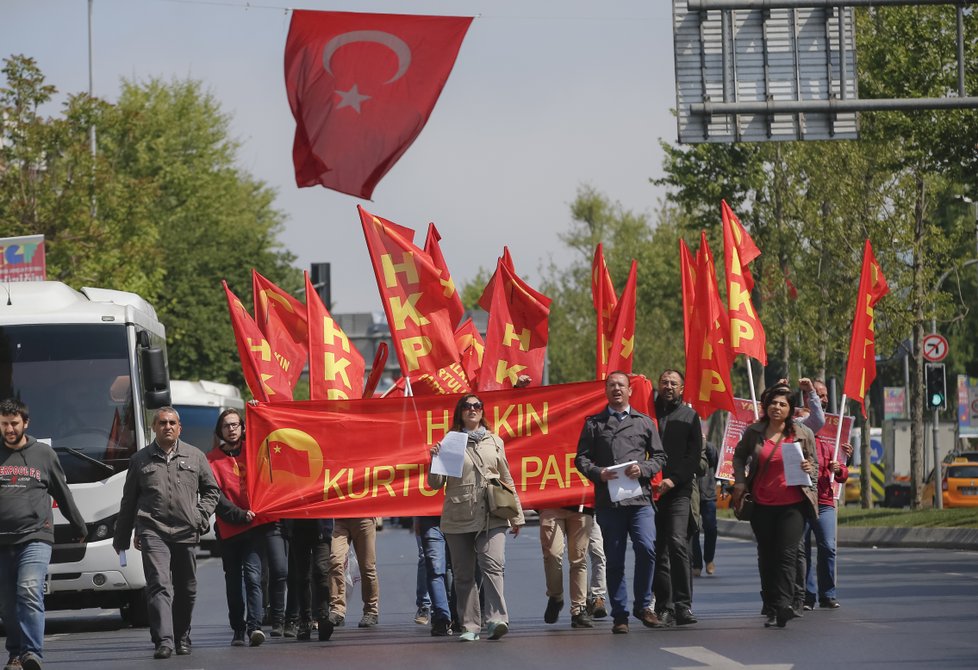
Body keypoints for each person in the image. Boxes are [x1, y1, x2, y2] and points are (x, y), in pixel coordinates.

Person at [113, 407, 220, 659]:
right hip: (153, 530)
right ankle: (164, 640)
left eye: (172, 422)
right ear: (154, 427)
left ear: (180, 427)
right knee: (159, 584)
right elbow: (129, 501)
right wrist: (121, 538)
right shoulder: (140, 460)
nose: (168, 426)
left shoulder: (195, 456)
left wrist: (200, 516)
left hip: (186, 530)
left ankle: (182, 635)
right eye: (162, 423)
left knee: (187, 588)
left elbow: (212, 490)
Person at [575, 371, 667, 634]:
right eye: (612, 385)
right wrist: (598, 472)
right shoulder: (594, 423)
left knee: (647, 548)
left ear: (630, 391)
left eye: (621, 385)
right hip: (609, 503)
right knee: (614, 560)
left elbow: (660, 456)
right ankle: (620, 614)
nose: (616, 389)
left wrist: (645, 468)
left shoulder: (644, 422)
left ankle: (644, 605)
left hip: (640, 501)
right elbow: (581, 459)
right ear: (606, 391)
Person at [428, 393, 524, 642]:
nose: (473, 409)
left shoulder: (495, 441)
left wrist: (517, 515)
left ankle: (497, 620)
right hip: (458, 514)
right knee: (463, 574)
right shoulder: (449, 442)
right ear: (460, 412)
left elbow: (507, 478)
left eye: (477, 406)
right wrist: (434, 459)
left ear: (483, 411)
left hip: (493, 513)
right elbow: (435, 484)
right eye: (467, 406)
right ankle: (470, 625)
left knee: (493, 565)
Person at [0, 398, 87, 670]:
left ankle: (32, 654)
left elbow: (62, 492)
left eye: (14, 423)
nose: (9, 429)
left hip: (36, 536)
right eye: (4, 424)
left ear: (25, 423)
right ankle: (15, 652)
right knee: (6, 605)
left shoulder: (44, 455)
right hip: (2, 540)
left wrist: (78, 526)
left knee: (28, 590)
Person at [731, 385, 818, 628]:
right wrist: (739, 481)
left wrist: (809, 468)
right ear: (766, 406)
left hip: (793, 504)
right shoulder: (754, 432)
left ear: (790, 410)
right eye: (773, 403)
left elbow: (814, 462)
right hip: (762, 504)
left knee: (787, 554)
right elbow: (738, 457)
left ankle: (784, 605)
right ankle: (770, 603)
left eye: (782, 404)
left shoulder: (802, 433)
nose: (776, 407)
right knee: (768, 555)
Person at [205, 409, 267, 648]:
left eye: (235, 425)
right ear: (220, 431)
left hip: (254, 527)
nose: (231, 429)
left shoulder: (255, 453)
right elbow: (215, 497)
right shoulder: (210, 459)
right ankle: (238, 629)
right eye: (226, 426)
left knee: (253, 577)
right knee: (233, 581)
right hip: (229, 528)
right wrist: (240, 515)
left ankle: (255, 627)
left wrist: (258, 408)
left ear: (242, 428)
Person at [651, 369, 703, 627]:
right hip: (650, 494)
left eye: (673, 383)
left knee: (677, 543)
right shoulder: (646, 412)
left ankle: (684, 605)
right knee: (657, 551)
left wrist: (672, 481)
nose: (668, 386)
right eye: (664, 382)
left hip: (678, 492)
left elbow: (693, 457)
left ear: (682, 389)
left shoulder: (690, 416)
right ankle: (664, 607)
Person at [804, 435, 851, 610]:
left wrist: (838, 469)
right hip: (800, 502)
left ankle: (827, 594)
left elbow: (843, 474)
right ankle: (807, 596)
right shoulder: (790, 442)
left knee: (828, 547)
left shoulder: (826, 446)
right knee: (802, 550)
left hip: (824, 503)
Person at [324, 516, 379, 633]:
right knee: (335, 561)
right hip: (341, 518)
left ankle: (371, 610)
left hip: (364, 517)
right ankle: (337, 609)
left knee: (367, 567)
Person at [691, 439, 719, 578]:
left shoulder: (707, 446)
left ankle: (709, 559)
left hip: (708, 493)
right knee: (693, 529)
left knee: (711, 527)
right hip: (691, 494)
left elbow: (715, 459)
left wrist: (704, 443)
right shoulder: (686, 443)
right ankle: (696, 564)